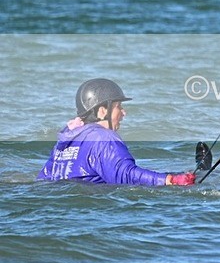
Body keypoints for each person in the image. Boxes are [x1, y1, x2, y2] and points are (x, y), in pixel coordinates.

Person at [38, 78, 195, 186]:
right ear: (101, 111)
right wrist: (169, 181)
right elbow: (126, 175)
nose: (123, 112)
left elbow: (44, 178)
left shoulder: (65, 140)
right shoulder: (103, 138)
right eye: (119, 106)